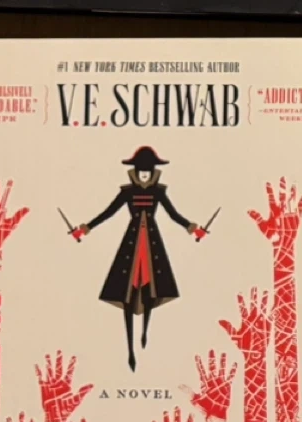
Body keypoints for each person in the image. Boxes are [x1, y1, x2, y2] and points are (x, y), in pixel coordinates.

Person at [69, 147, 208, 371]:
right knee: (127, 291)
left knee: (152, 287)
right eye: (141, 171)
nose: (144, 175)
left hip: (152, 244)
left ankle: (144, 332)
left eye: (147, 171)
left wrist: (193, 229)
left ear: (153, 172)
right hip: (132, 243)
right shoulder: (127, 192)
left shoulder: (159, 192)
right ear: (135, 172)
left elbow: (173, 214)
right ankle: (130, 349)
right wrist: (85, 229)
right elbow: (108, 212)